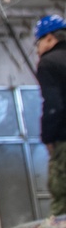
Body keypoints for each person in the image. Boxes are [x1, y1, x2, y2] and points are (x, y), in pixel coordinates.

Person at [35, 15, 66, 216]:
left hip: (64, 137)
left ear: (48, 39)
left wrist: (48, 138)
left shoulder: (48, 62)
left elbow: (53, 104)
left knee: (62, 197)